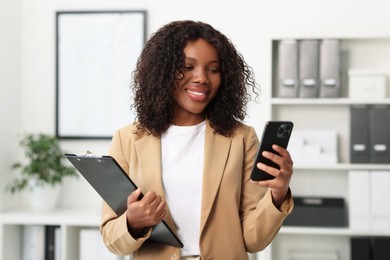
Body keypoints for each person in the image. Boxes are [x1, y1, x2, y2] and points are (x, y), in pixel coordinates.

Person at [101, 20, 294, 260]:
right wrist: (133, 221)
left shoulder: (241, 139)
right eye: (187, 67)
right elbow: (112, 239)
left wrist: (278, 195)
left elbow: (253, 240)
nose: (202, 78)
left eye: (213, 69)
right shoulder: (127, 139)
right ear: (163, 71)